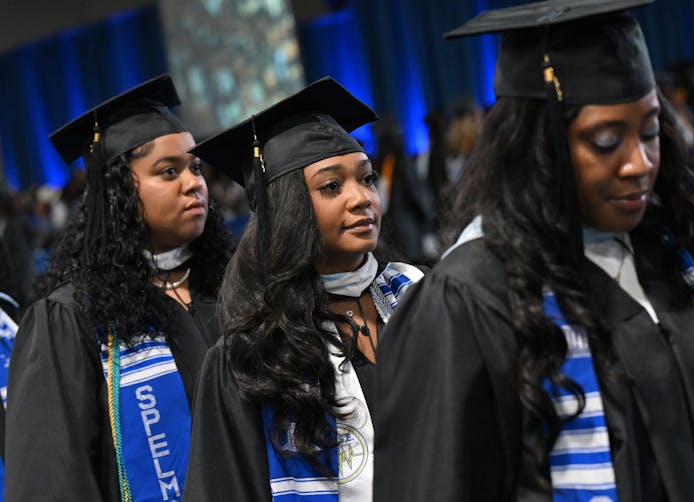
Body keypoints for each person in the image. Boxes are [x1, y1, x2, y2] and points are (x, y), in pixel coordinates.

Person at [373, 1, 694, 501]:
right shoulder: (471, 296)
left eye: (651, 132)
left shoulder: (675, 258)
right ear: (540, 147)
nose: (639, 163)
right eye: (606, 140)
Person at [182, 77, 423, 501]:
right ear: (287, 208)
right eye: (332, 186)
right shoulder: (250, 356)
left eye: (366, 179)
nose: (361, 198)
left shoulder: (420, 297)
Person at [5, 75, 232, 501]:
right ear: (119, 193)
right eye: (169, 171)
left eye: (196, 167)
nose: (194, 183)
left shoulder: (232, 288)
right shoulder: (71, 318)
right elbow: (52, 477)